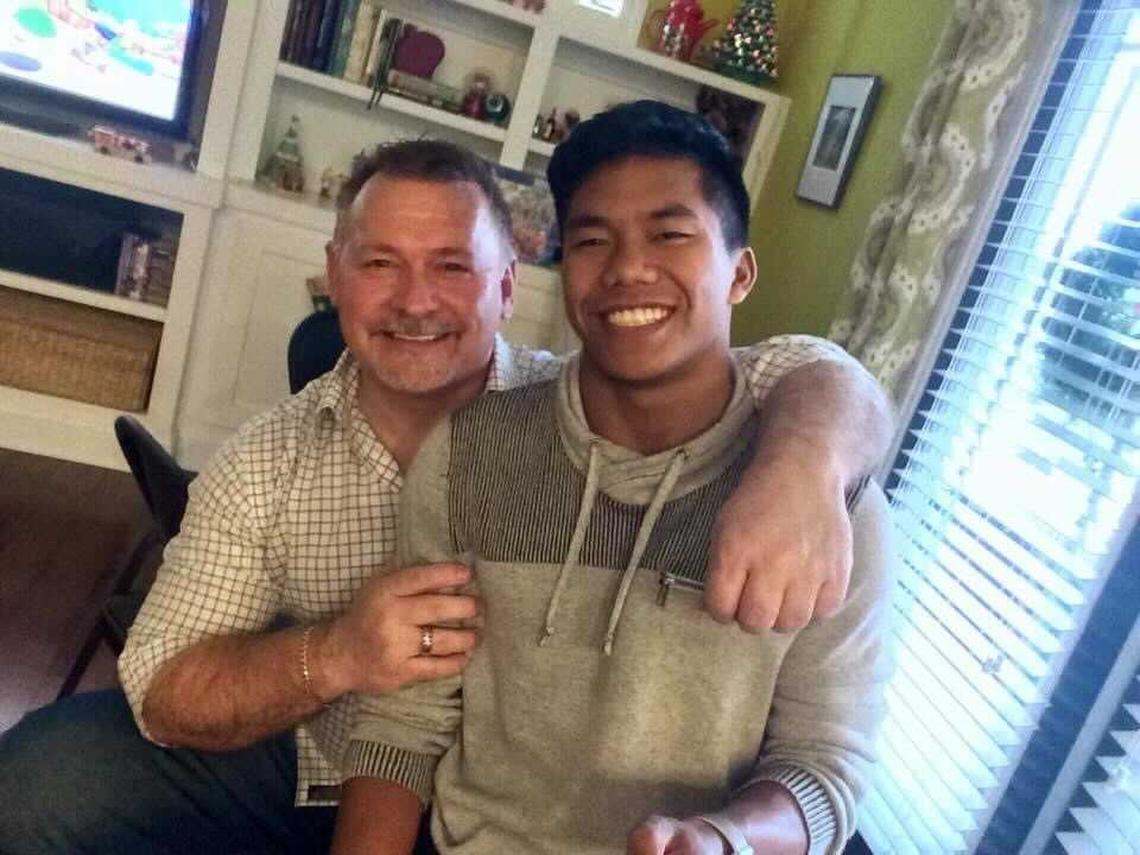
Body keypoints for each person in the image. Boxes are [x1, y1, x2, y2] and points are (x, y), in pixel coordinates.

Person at [0, 134, 890, 854]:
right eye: (381, 262)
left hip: (514, 795)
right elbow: (162, 685)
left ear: (510, 286)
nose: (416, 300)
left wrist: (807, 465)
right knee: (42, 779)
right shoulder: (270, 460)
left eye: (454, 267)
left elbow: (799, 369)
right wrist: (339, 654)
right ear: (334, 276)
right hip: (318, 757)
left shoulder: (620, 391)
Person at [332, 103, 895, 855]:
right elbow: (404, 724)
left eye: (670, 233)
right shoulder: (471, 453)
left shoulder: (825, 503)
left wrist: (728, 839)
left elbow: (824, 765)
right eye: (593, 240)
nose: (628, 269)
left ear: (741, 272)